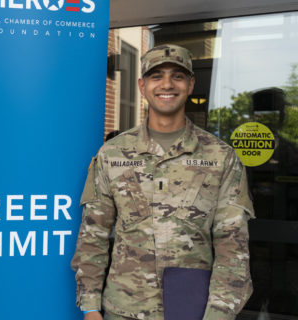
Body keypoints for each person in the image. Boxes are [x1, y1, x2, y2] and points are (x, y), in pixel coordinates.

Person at [71, 44, 255, 320]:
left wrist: (219, 315)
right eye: (157, 76)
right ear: (142, 85)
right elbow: (93, 235)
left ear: (191, 84)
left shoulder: (220, 157)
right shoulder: (112, 153)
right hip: (124, 310)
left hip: (193, 310)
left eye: (177, 76)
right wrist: (90, 307)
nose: (167, 84)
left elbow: (233, 247)